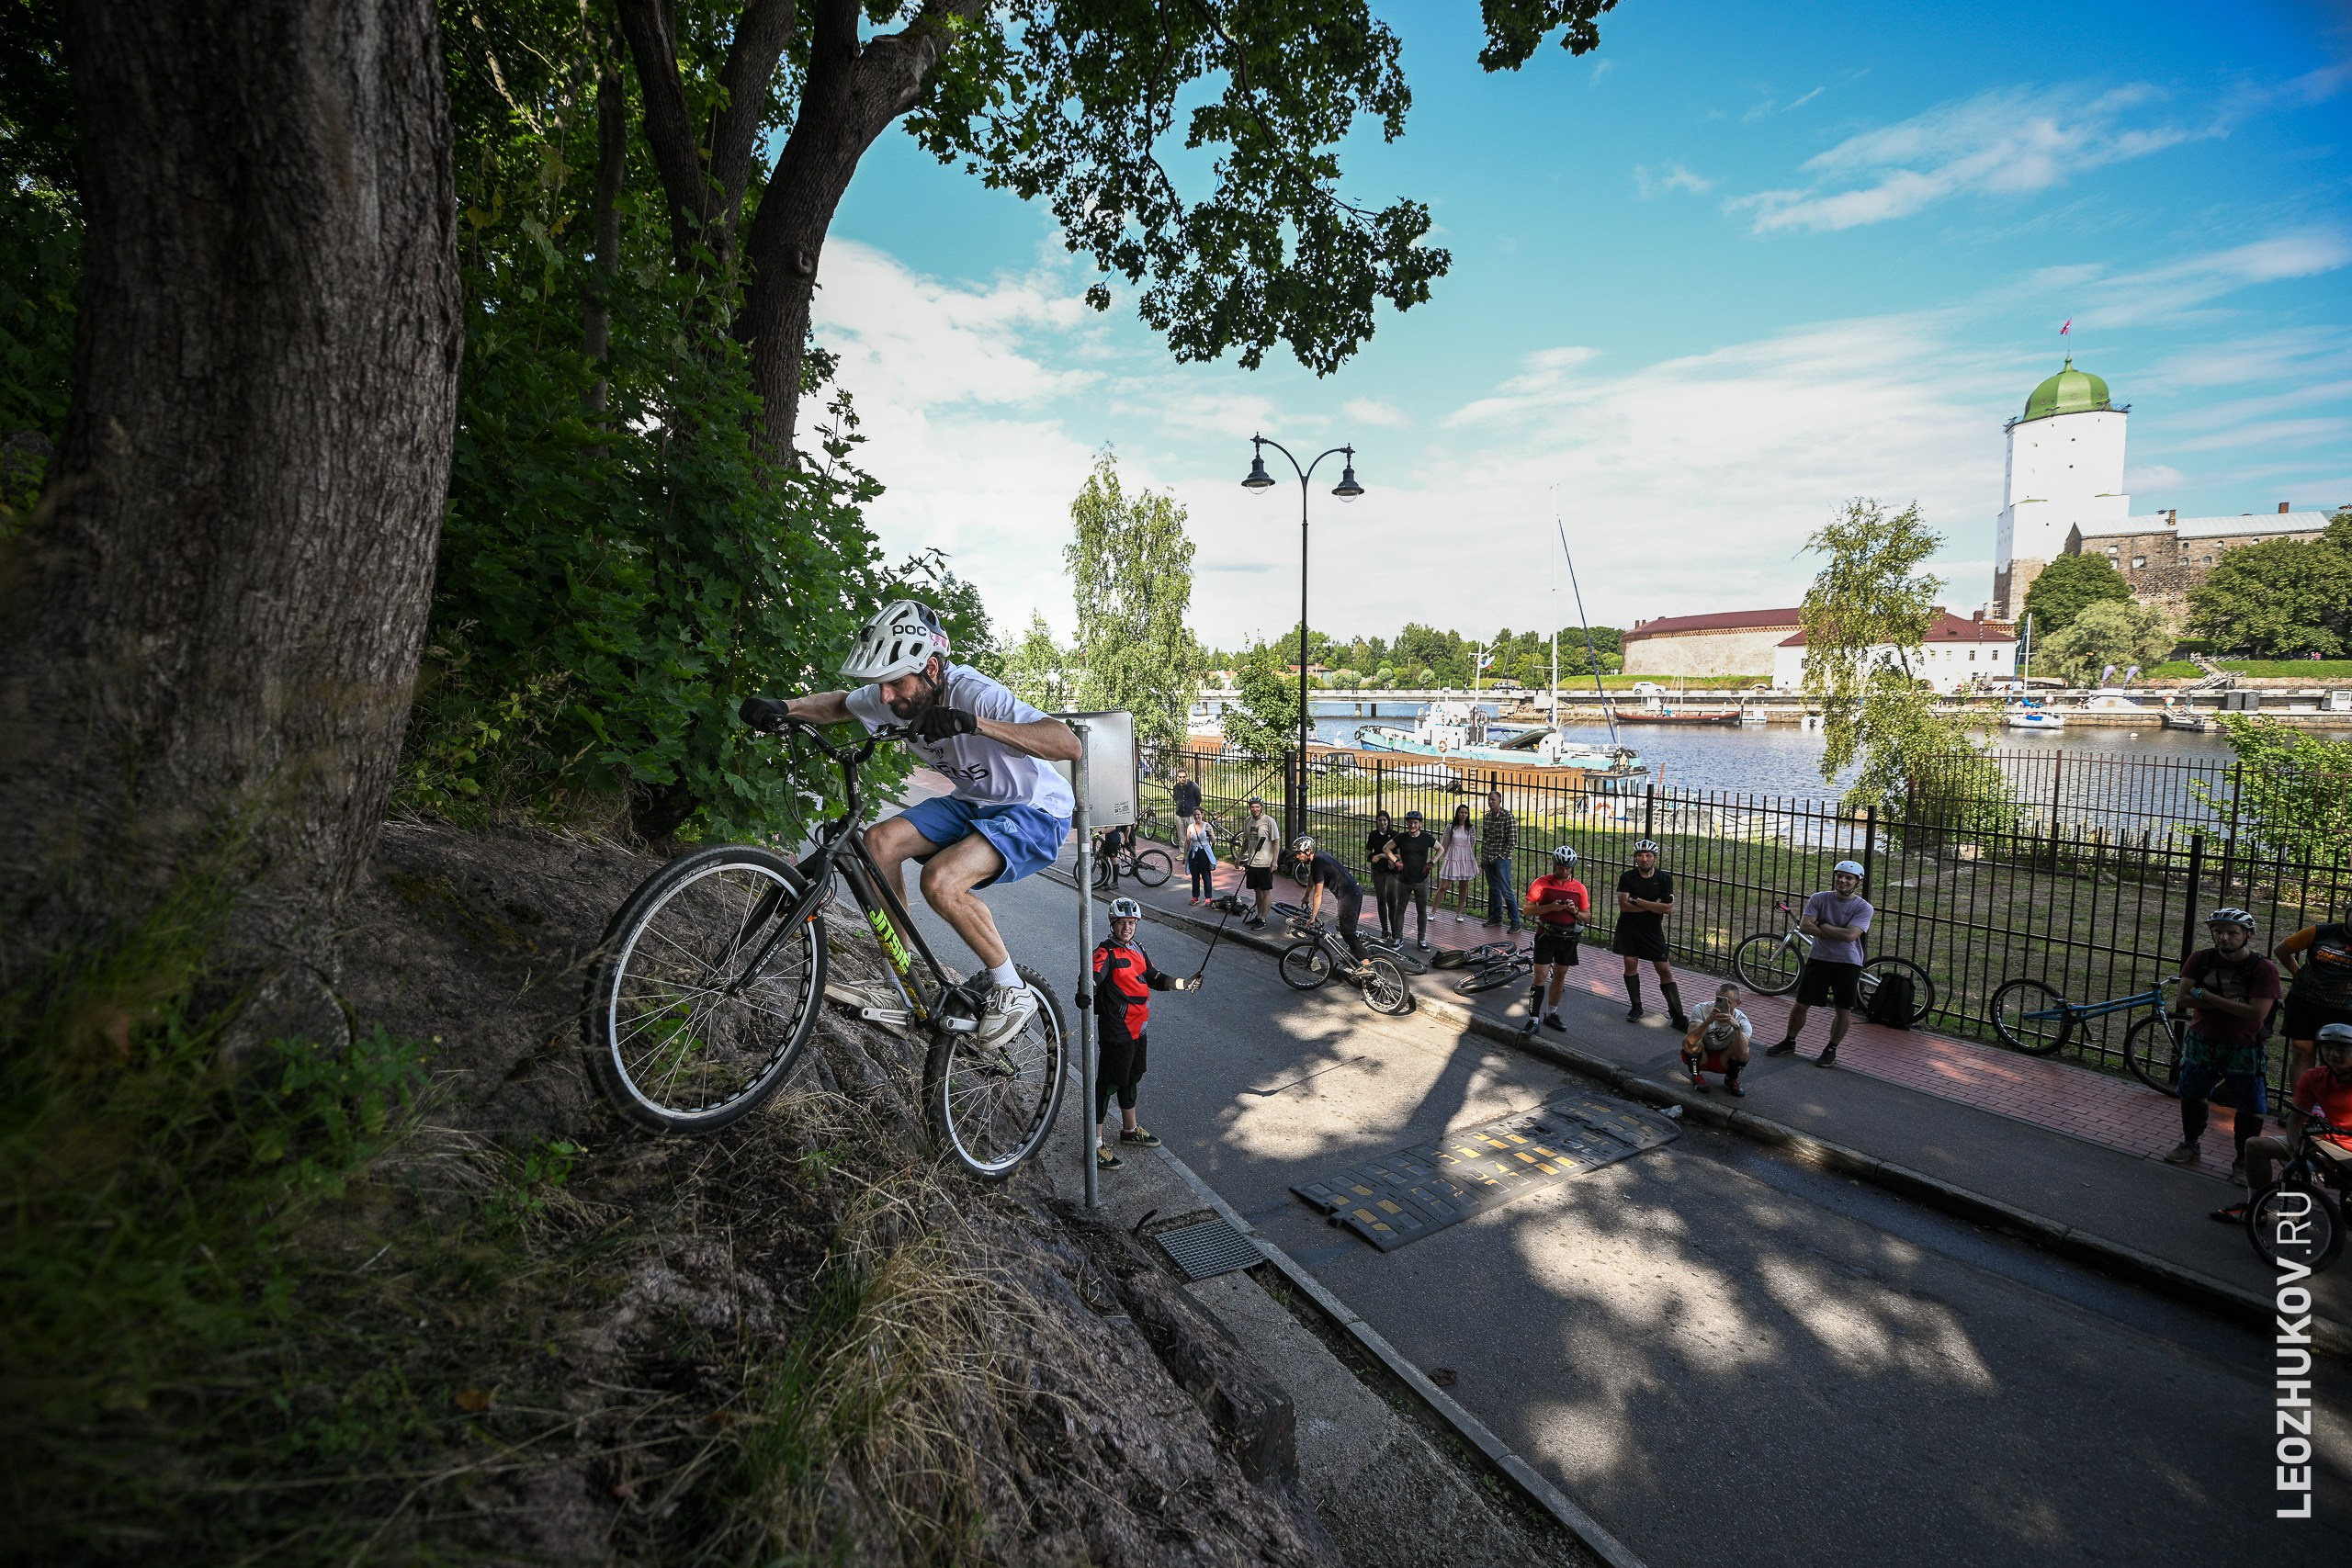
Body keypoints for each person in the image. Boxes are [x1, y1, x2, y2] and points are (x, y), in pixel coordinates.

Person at [747, 599, 1078, 1041]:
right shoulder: (893, 697)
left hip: (1034, 807)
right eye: (881, 685)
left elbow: (1066, 744)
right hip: (974, 800)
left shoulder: (977, 694)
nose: (885, 695)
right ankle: (898, 986)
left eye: (895, 683)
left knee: (940, 881)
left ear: (933, 670)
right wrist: (783, 707)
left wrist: (973, 724)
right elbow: (840, 705)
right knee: (879, 842)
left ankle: (1010, 987)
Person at [2159, 908, 2282, 1182]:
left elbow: (2256, 1013)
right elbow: (2184, 998)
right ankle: (2190, 1143)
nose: (2224, 938)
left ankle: (2243, 1159)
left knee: (2249, 1105)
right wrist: (2234, 1005)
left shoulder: (2263, 969)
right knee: (2192, 1093)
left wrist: (2208, 997)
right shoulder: (2200, 959)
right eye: (2218, 932)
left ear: (2247, 935)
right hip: (2203, 1039)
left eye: (2232, 933)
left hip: (2244, 1044)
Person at [1091, 897, 1201, 1170]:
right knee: (1108, 1084)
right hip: (1117, 1031)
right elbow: (1091, 976)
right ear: (1113, 924)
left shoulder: (1137, 948)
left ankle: (1129, 1131)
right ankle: (1094, 1144)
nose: (1127, 927)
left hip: (1139, 1029)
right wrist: (1085, 990)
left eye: (1132, 923)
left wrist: (1184, 984)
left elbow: (1154, 977)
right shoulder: (1106, 952)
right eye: (1122, 923)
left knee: (1132, 1078)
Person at [2225, 1021, 2352, 1225]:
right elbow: (2295, 1119)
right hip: (2325, 1144)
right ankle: (2256, 1208)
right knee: (2256, 1146)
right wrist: (2297, 1151)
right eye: (2327, 1048)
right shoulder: (2314, 1077)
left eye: (2342, 1049)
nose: (2333, 1054)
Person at [1763, 860, 1872, 1069]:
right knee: (1801, 1004)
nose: (1843, 880)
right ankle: (1789, 1041)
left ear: (1857, 881)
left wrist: (1821, 924)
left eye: (1849, 878)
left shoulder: (1864, 908)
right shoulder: (1819, 898)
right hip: (1819, 958)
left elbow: (1851, 936)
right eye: (1839, 876)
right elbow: (1805, 926)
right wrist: (1836, 931)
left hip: (1847, 963)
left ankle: (1830, 1049)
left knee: (1843, 1009)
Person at [1611, 839, 1686, 1031]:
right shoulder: (1627, 877)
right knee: (1630, 963)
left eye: (1649, 856)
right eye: (1641, 856)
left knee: (1663, 968)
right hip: (1628, 928)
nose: (1645, 859)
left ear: (1655, 858)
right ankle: (1636, 1007)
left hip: (1652, 930)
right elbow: (1624, 906)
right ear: (1636, 858)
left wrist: (1639, 901)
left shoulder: (1664, 879)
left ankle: (1677, 1015)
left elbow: (1668, 909)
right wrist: (1654, 906)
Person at [2276, 906, 2352, 1084]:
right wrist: (2298, 973)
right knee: (2302, 1053)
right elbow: (2281, 951)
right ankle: (2301, 1106)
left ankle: (2329, 1108)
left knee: (2338, 1060)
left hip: (2344, 1010)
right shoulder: (2320, 932)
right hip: (2305, 1003)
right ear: (2349, 913)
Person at [1520, 846, 1589, 1035]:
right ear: (1554, 865)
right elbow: (1527, 910)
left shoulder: (1579, 888)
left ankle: (1552, 1013)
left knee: (1559, 976)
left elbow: (1587, 916)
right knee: (1540, 976)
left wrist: (1574, 911)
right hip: (1546, 935)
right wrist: (1550, 907)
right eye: (1560, 867)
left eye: (1568, 868)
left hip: (1567, 938)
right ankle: (1533, 1019)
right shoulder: (1541, 884)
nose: (1564, 871)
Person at [1292, 835, 1367, 961]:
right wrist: (1306, 895)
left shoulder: (1318, 864)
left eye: (1299, 853)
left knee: (1347, 933)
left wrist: (1313, 917)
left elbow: (1318, 894)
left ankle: (1366, 964)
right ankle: (1357, 953)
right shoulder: (1318, 857)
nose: (1297, 856)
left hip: (1349, 896)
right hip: (1353, 892)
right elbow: (1312, 876)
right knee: (1342, 927)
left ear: (1308, 851)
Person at [1682, 983, 1753, 1096]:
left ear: (1738, 1003)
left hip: (1723, 1058)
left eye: (1727, 1002)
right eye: (1718, 1000)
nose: (1720, 1005)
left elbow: (1742, 1052)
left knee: (1746, 1050)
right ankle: (1696, 1075)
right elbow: (1690, 1041)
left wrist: (1736, 1028)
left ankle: (1731, 1079)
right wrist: (1708, 1021)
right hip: (1702, 1054)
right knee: (1690, 1043)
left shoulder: (1742, 1021)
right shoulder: (1701, 1009)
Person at [1479, 787, 1521, 932]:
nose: (1491, 802)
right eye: (1489, 800)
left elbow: (1512, 840)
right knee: (1494, 889)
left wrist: (1502, 856)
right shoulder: (1487, 817)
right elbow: (1485, 838)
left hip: (1501, 859)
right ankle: (1496, 916)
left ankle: (1515, 921)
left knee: (1506, 890)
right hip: (1488, 857)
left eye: (1493, 800)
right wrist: (1483, 858)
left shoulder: (1507, 816)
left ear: (1500, 801)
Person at [1394, 809, 1437, 951]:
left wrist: (1432, 862)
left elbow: (1441, 849)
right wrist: (1395, 861)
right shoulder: (1401, 838)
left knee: (1422, 911)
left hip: (1421, 881)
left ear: (1420, 824)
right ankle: (1398, 938)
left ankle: (1421, 939)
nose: (1412, 825)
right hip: (1404, 880)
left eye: (1415, 823)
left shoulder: (1426, 838)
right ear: (1407, 823)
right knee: (1400, 909)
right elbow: (1386, 848)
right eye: (1410, 822)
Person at [1238, 795, 1282, 928]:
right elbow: (1246, 841)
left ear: (1261, 807)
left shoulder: (1269, 821)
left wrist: (1275, 861)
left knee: (1265, 890)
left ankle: (1263, 918)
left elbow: (1276, 842)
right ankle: (1258, 915)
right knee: (1257, 890)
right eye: (1252, 807)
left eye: (1257, 807)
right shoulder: (1248, 821)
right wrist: (1240, 856)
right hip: (1252, 862)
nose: (1255, 809)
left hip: (1265, 862)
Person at [1366, 809, 1404, 942]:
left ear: (1388, 822)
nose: (1382, 823)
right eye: (1380, 820)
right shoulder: (1373, 835)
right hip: (1378, 870)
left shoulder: (1395, 835)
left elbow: (1400, 855)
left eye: (1385, 820)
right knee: (1381, 900)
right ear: (1377, 822)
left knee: (1392, 900)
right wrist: (1375, 858)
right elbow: (1368, 854)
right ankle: (1384, 929)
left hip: (1391, 871)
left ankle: (1395, 930)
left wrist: (1387, 857)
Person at [1438, 803, 1479, 921]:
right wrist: (1445, 856)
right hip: (1452, 857)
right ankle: (1433, 911)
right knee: (1444, 886)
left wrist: (1464, 852)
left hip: (1465, 858)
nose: (1463, 815)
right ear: (1457, 813)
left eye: (1466, 813)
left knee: (1464, 885)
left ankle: (1459, 913)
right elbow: (1444, 842)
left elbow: (1472, 841)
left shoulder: (1470, 828)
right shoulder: (1451, 827)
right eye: (1461, 812)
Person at [1184, 810, 1217, 904]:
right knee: (1195, 876)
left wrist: (1210, 834)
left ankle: (1208, 897)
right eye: (1194, 814)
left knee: (1206, 875)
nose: (1196, 816)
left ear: (1202, 815)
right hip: (1194, 853)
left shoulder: (1207, 826)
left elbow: (1213, 841)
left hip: (1204, 853)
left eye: (1198, 814)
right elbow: (1187, 842)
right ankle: (1195, 896)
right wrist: (1185, 855)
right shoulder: (1190, 827)